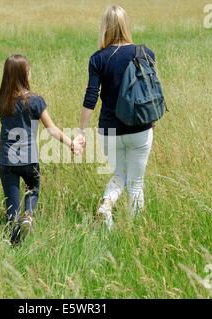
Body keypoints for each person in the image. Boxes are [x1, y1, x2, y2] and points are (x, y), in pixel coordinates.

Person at [74, 5, 156, 230]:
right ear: (126, 25)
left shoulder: (98, 59)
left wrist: (81, 132)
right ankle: (135, 231)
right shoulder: (145, 53)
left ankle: (105, 208)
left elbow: (91, 97)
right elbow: (150, 93)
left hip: (109, 130)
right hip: (140, 128)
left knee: (118, 176)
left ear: (105, 28)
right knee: (136, 182)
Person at [0, 54, 83, 244]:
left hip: (7, 160)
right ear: (23, 75)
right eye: (29, 70)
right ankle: (29, 216)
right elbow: (51, 129)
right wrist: (72, 144)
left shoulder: (1, 101)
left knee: (11, 205)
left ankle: (14, 238)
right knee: (32, 189)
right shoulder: (35, 101)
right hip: (29, 159)